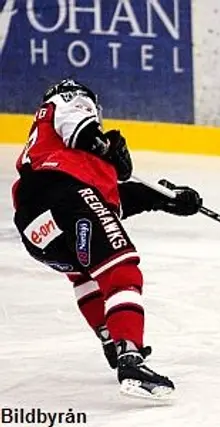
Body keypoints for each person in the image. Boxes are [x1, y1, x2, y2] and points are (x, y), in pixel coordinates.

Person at [11, 78, 203, 399]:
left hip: (35, 228)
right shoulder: (71, 98)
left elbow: (106, 206)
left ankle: (111, 340)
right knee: (122, 268)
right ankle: (130, 356)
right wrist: (107, 147)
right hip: (65, 197)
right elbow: (82, 132)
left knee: (85, 272)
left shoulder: (54, 153)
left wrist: (165, 198)